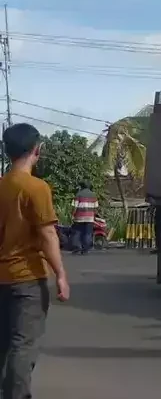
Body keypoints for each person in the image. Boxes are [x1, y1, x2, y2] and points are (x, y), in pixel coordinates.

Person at [0, 123, 70, 398]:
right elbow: (47, 235)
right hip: (27, 279)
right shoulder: (36, 188)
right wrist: (61, 274)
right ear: (36, 150)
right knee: (22, 345)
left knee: (4, 344)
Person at [70, 182, 99, 255]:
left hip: (79, 217)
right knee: (88, 233)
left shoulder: (78, 194)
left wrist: (72, 215)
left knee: (77, 232)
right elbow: (96, 208)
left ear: (81, 187)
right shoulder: (94, 195)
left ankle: (77, 248)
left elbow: (75, 207)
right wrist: (94, 216)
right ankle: (85, 249)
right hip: (90, 218)